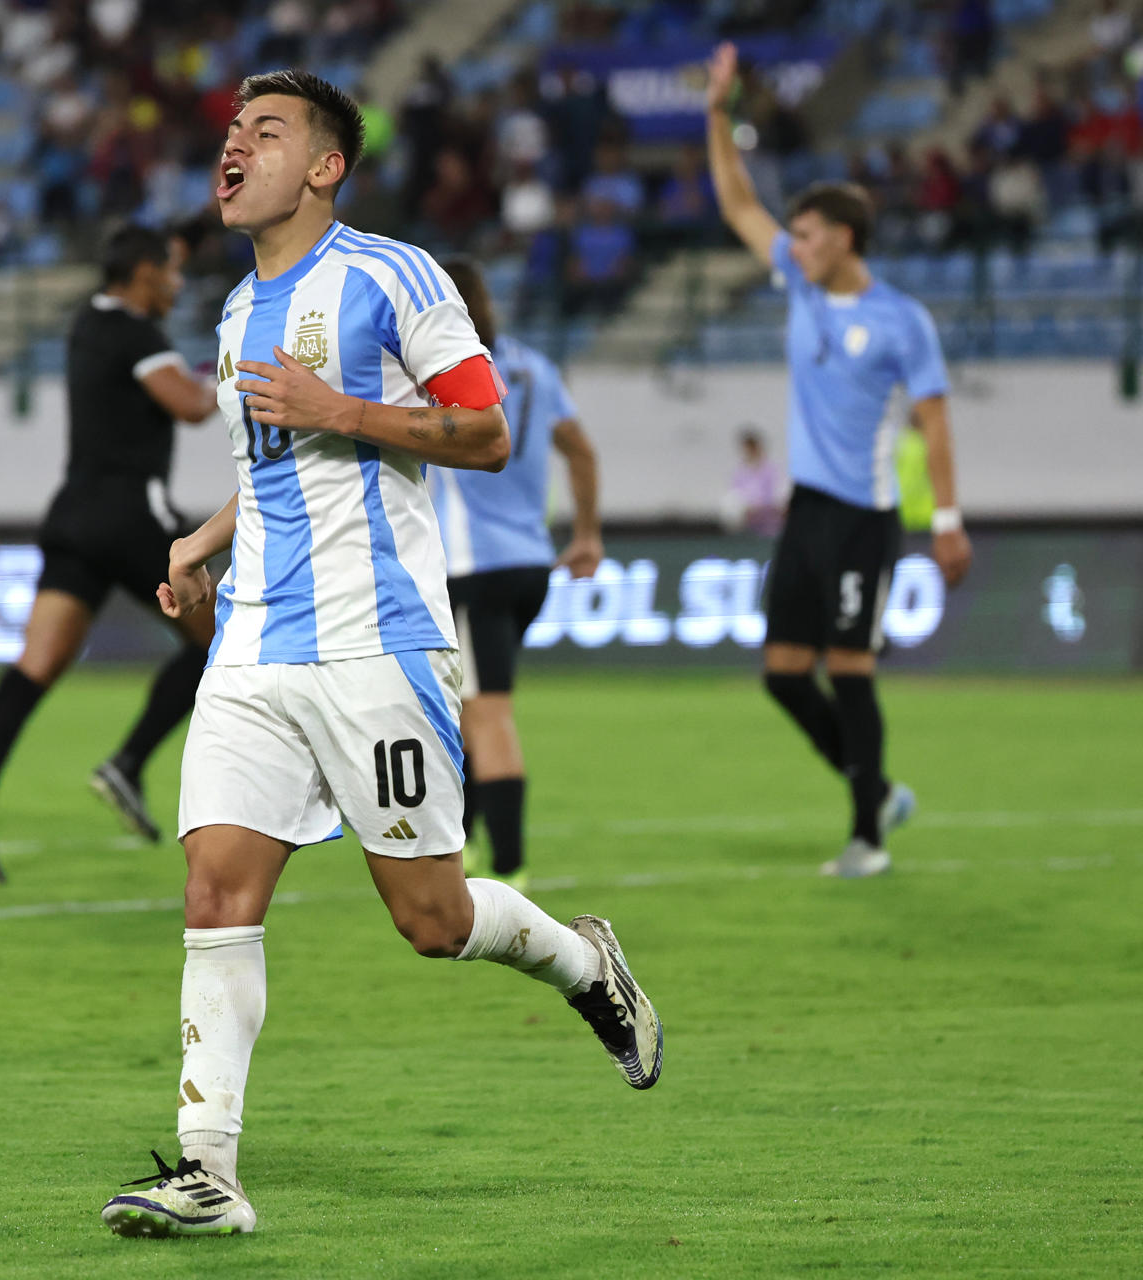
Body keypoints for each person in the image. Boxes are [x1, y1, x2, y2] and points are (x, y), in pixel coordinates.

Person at [98, 70, 660, 1240]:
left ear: (325, 165)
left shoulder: (394, 275)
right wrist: (203, 540)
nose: (233, 148)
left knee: (432, 919)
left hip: (378, 642)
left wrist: (340, 409)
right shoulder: (235, 313)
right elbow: (270, 474)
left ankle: (582, 960)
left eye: (266, 130)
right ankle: (208, 1168)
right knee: (216, 890)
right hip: (254, 645)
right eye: (231, 131)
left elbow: (489, 430)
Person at [706, 43, 972, 879]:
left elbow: (935, 423)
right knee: (784, 677)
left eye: (808, 234)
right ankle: (878, 787)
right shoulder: (800, 278)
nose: (792, 244)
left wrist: (952, 522)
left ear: (844, 238)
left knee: (850, 670)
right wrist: (718, 112)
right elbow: (739, 202)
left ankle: (869, 838)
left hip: (864, 518)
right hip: (807, 512)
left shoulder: (902, 322)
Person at [0, 223, 220, 885]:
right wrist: (231, 382)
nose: (177, 286)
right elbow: (190, 406)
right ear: (145, 273)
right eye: (171, 273)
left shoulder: (86, 325)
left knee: (37, 664)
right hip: (130, 517)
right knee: (220, 642)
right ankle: (128, 763)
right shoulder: (136, 331)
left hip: (73, 517)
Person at [430, 258, 603, 891]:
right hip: (530, 560)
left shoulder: (442, 369)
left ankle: (509, 867)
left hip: (472, 563)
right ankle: (473, 848)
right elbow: (580, 449)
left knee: (487, 713)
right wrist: (586, 534)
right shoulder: (534, 365)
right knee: (468, 708)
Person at [721, 427, 785, 536]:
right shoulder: (740, 470)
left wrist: (760, 507)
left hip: (769, 524)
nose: (750, 451)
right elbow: (736, 494)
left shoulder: (770, 469)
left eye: (752, 448)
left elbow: (775, 495)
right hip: (747, 525)